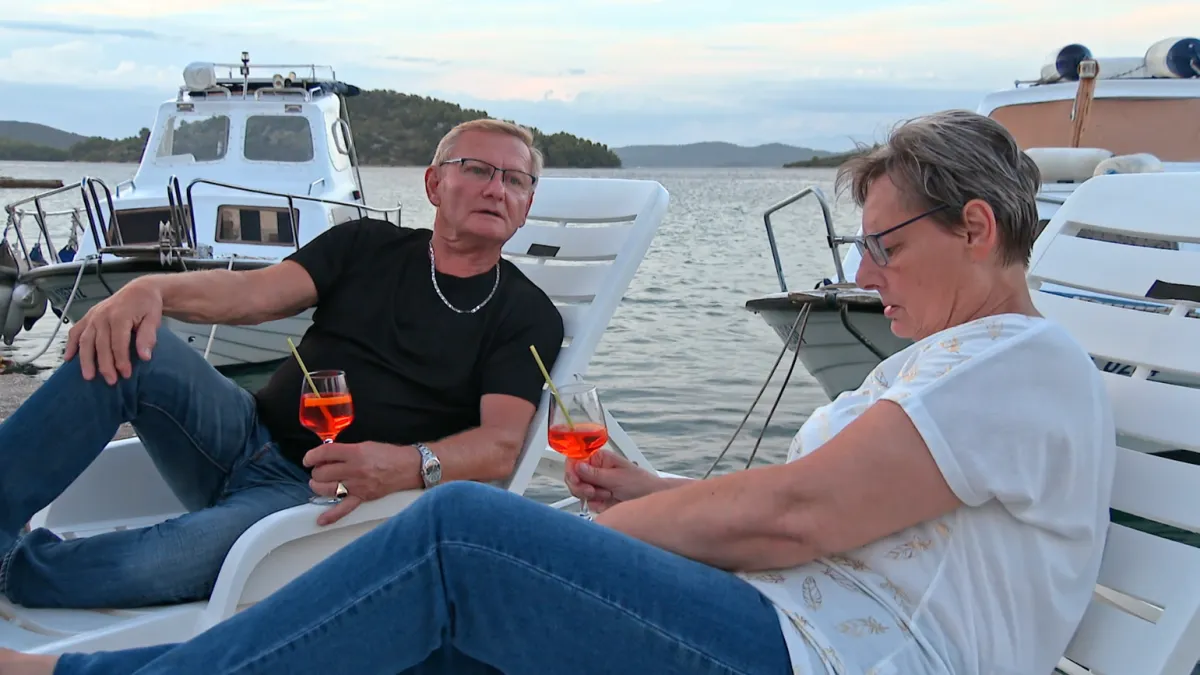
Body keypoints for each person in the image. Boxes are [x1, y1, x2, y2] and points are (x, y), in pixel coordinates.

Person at [0, 109, 1116, 675]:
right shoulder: (938, 364)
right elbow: (827, 515)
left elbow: (793, 517)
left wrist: (612, 527)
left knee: (460, 533)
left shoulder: (1018, 362)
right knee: (434, 634)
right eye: (861, 246)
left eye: (884, 245)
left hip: (838, 655)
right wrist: (654, 490)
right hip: (787, 622)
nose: (863, 273)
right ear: (433, 183)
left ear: (976, 227)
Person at [0, 118, 565, 612]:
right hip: (239, 431)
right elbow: (252, 295)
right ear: (434, 183)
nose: (497, 188)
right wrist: (150, 290)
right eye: (477, 169)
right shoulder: (367, 244)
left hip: (314, 494)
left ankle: (14, 568)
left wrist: (406, 464)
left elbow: (499, 447)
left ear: (527, 203)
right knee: (128, 346)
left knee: (151, 568)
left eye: (515, 180)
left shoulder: (525, 315)